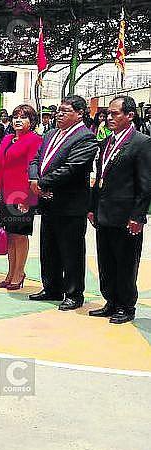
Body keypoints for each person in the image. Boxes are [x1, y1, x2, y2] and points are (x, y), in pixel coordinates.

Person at [28, 95, 97, 310]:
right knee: (49, 247)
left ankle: (74, 293)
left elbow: (72, 168)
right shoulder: (50, 134)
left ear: (79, 113)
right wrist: (33, 178)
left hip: (70, 204)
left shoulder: (85, 137)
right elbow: (36, 159)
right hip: (49, 202)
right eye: (58, 110)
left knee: (71, 250)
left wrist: (42, 182)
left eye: (65, 111)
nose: (59, 114)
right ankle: (52, 287)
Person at [87, 96, 151, 324]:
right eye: (107, 114)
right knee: (106, 260)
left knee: (126, 261)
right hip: (104, 213)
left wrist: (138, 215)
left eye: (115, 114)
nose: (109, 118)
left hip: (126, 215)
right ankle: (111, 301)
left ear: (130, 115)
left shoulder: (141, 143)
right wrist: (92, 207)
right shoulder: (106, 143)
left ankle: (126, 305)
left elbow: (145, 184)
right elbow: (100, 178)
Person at [0, 104, 42, 290]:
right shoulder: (7, 139)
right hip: (4, 193)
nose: (18, 120)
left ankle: (19, 273)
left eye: (23, 117)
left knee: (20, 235)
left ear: (32, 121)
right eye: (15, 116)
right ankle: (10, 272)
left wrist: (27, 199)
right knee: (9, 235)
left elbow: (33, 170)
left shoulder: (34, 140)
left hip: (21, 195)